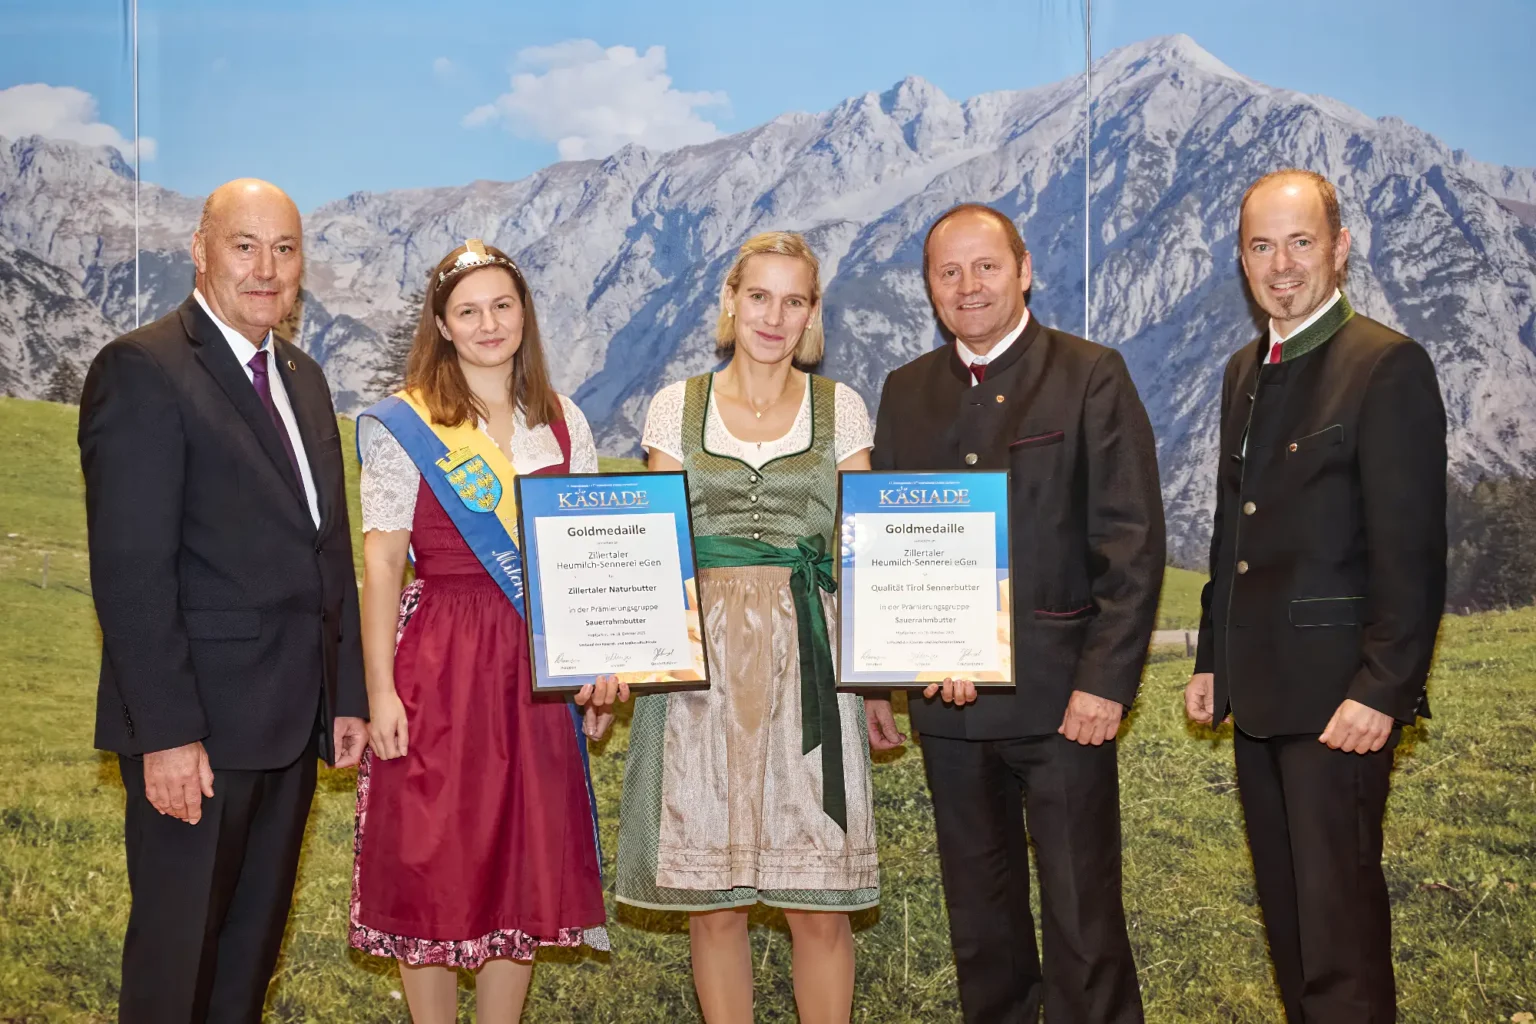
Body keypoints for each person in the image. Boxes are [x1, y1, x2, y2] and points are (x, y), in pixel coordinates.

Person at [78, 178, 368, 1024]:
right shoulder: (143, 369)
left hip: (288, 727)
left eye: (284, 249)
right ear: (200, 250)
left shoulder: (304, 379)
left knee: (246, 963)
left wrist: (342, 694)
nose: (266, 268)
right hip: (196, 737)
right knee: (177, 970)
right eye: (245, 246)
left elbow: (327, 551)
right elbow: (131, 572)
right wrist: (166, 735)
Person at [868, 203, 1164, 1024]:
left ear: (1024, 269)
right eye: (948, 271)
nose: (969, 286)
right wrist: (886, 677)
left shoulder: (1089, 373)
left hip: (1064, 704)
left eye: (986, 266)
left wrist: (1105, 684)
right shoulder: (905, 392)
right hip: (947, 708)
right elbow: (886, 549)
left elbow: (1132, 544)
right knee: (980, 923)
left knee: (1083, 922)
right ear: (928, 287)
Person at [1185, 169, 1447, 1023]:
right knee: (1292, 931)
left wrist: (1383, 689)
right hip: (1258, 697)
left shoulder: (1387, 365)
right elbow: (1236, 531)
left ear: (1340, 248)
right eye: (1262, 246)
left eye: (1301, 242)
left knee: (1340, 944)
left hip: (1341, 703)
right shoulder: (1242, 372)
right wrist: (1210, 659)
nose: (1282, 264)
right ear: (1241, 259)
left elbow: (1411, 554)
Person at [349, 240, 622, 1024]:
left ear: (525, 313)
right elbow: (382, 565)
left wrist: (596, 671)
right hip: (438, 655)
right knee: (431, 855)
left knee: (519, 858)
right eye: (468, 311)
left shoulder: (563, 421)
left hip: (536, 664)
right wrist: (379, 690)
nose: (488, 323)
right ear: (442, 323)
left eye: (503, 305)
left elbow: (588, 561)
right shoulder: (405, 423)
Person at [615, 231, 878, 1024]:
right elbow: (654, 552)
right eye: (758, 296)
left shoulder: (842, 408)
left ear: (811, 315)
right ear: (730, 302)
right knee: (716, 904)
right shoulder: (675, 404)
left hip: (810, 651)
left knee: (819, 903)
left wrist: (878, 684)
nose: (774, 315)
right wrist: (623, 657)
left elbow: (863, 549)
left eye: (793, 300)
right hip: (703, 662)